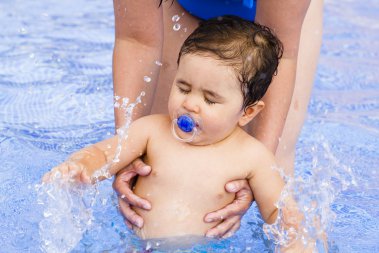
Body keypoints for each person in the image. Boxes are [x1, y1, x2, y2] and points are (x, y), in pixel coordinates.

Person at [44, 16, 311, 250]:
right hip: (138, 247)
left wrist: (295, 242)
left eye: (210, 99)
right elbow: (104, 153)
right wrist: (79, 166)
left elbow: (281, 212)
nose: (190, 103)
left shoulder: (253, 157)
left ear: (247, 113)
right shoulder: (152, 131)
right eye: (183, 88)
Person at [112, 0, 323, 238]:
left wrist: (254, 171)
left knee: (277, 178)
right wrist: (126, 150)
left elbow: (282, 56)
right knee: (155, 166)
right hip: (181, 5)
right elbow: (136, 40)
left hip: (278, 27)